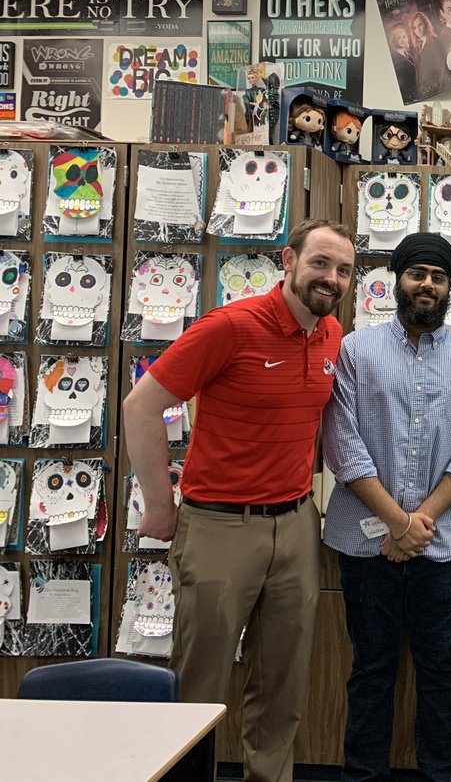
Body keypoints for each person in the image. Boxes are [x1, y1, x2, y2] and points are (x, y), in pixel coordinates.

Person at [123, 218, 356, 782]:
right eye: (320, 263)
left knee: (284, 682)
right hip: (219, 526)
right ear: (288, 261)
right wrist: (159, 505)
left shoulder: (331, 336)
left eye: (344, 270)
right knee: (200, 685)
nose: (330, 278)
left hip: (297, 523)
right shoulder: (230, 326)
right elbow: (140, 406)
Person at [322, 232, 451, 782]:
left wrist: (418, 525)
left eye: (439, 277)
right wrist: (399, 525)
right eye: (418, 273)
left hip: (445, 546)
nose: (427, 284)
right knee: (370, 666)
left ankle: (445, 775)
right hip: (363, 539)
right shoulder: (354, 350)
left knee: (440, 665)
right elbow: (342, 446)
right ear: (396, 280)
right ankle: (362, 775)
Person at [388, 23, 419, 101]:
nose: (402, 40)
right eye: (398, 38)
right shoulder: (394, 57)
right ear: (394, 41)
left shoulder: (409, 54)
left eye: (404, 37)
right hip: (407, 94)